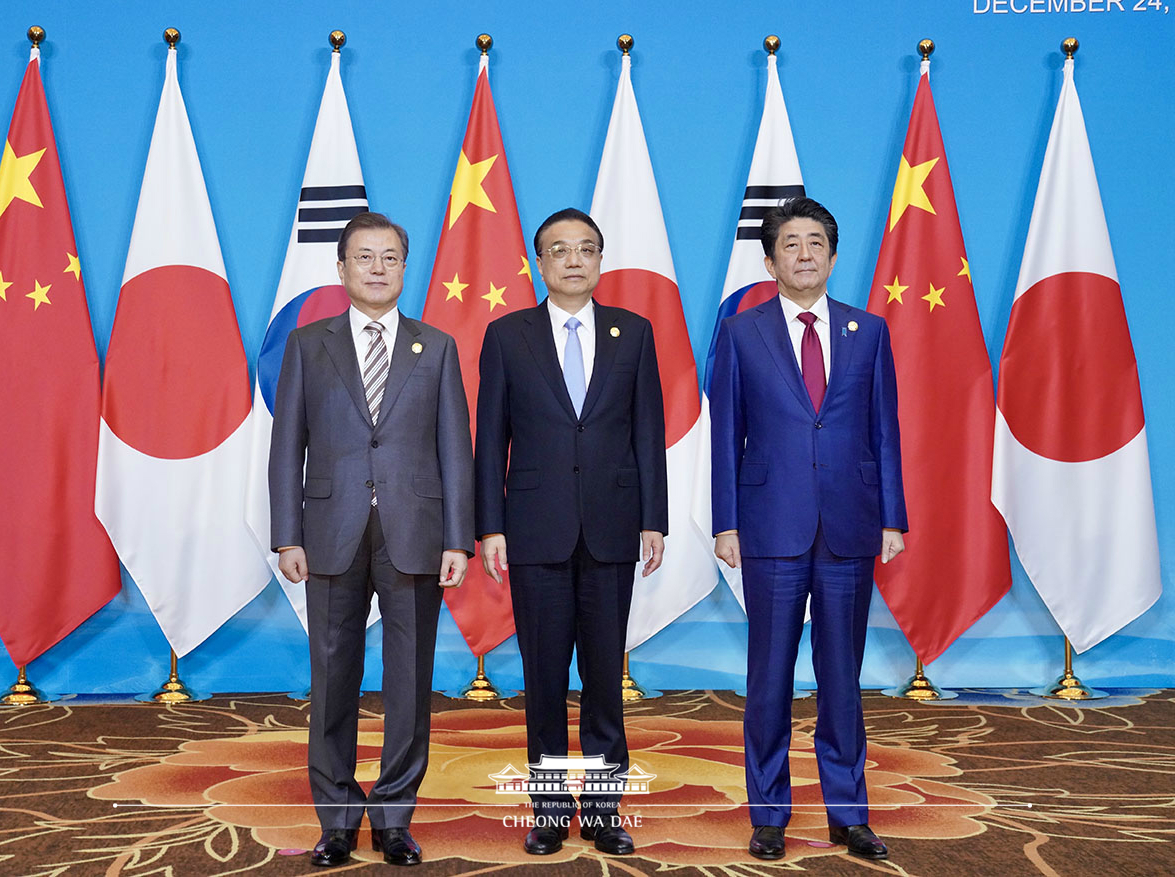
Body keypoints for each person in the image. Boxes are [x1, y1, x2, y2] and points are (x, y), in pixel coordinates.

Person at [269, 212, 474, 868]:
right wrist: (286, 534)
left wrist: (459, 538)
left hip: (416, 531)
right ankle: (335, 819)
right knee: (333, 677)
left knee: (410, 682)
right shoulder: (308, 345)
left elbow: (455, 450)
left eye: (390, 257)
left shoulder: (435, 346)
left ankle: (392, 817)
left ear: (404, 269)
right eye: (365, 257)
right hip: (329, 530)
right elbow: (285, 450)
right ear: (342, 268)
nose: (378, 268)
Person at [709, 198, 907, 862]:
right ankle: (769, 813)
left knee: (842, 675)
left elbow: (885, 430)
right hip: (769, 525)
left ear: (832, 253)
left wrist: (892, 516)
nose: (804, 253)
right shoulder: (742, 333)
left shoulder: (868, 330)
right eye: (789, 243)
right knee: (768, 675)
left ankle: (849, 814)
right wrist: (725, 521)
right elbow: (723, 435)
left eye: (815, 241)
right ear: (770, 260)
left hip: (850, 523)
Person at [474, 208, 667, 857]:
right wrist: (490, 526)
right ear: (540, 262)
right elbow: (489, 441)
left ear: (600, 260)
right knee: (546, 677)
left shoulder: (633, 333)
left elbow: (648, 433)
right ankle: (551, 809)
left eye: (586, 249)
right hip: (534, 531)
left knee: (605, 680)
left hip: (613, 528)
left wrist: (654, 518)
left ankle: (607, 809)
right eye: (560, 250)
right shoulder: (507, 336)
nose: (574, 260)